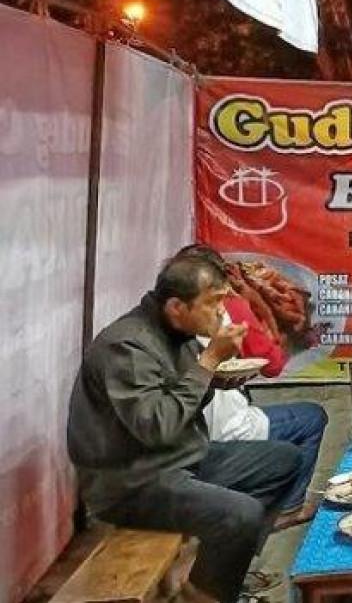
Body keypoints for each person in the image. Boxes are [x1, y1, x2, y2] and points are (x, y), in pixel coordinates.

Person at [67, 256, 302, 603]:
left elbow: (184, 394)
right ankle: (206, 595)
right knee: (241, 514)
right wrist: (207, 363)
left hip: (180, 461)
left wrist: (220, 378)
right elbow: (157, 427)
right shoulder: (127, 347)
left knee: (285, 459)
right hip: (132, 483)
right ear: (177, 306)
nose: (222, 313)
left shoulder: (179, 331)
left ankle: (210, 576)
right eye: (213, 303)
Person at [177, 244, 328, 530]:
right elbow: (272, 365)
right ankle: (288, 508)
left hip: (191, 437)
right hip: (214, 436)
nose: (218, 308)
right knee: (311, 418)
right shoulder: (229, 309)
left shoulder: (165, 323)